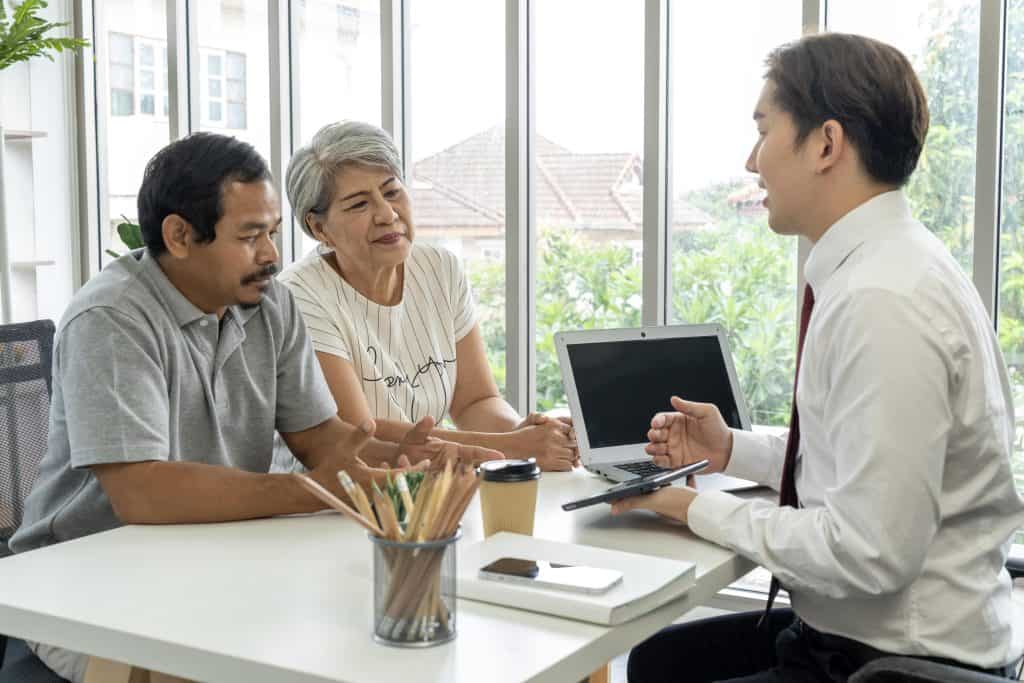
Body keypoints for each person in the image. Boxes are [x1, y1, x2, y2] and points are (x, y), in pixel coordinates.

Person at [7, 133, 498, 683]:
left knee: (353, 642)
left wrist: (387, 465)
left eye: (272, 233)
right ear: (180, 236)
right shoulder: (112, 318)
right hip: (81, 582)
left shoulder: (270, 303)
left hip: (212, 556)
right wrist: (312, 492)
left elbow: (319, 438)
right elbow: (141, 491)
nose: (271, 255)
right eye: (250, 236)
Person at [614, 33, 1024, 682]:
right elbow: (863, 464)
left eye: (764, 129)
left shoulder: (884, 298)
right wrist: (730, 450)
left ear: (826, 143)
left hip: (902, 664)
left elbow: (870, 551)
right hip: (873, 639)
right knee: (662, 660)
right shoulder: (894, 264)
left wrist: (696, 507)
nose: (752, 160)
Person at [276, 120, 577, 472]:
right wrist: (512, 447)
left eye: (391, 192)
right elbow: (362, 436)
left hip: (431, 488)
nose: (387, 214)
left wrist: (527, 433)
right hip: (339, 502)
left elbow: (474, 401)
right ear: (319, 227)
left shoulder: (439, 268)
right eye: (359, 205)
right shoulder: (298, 295)